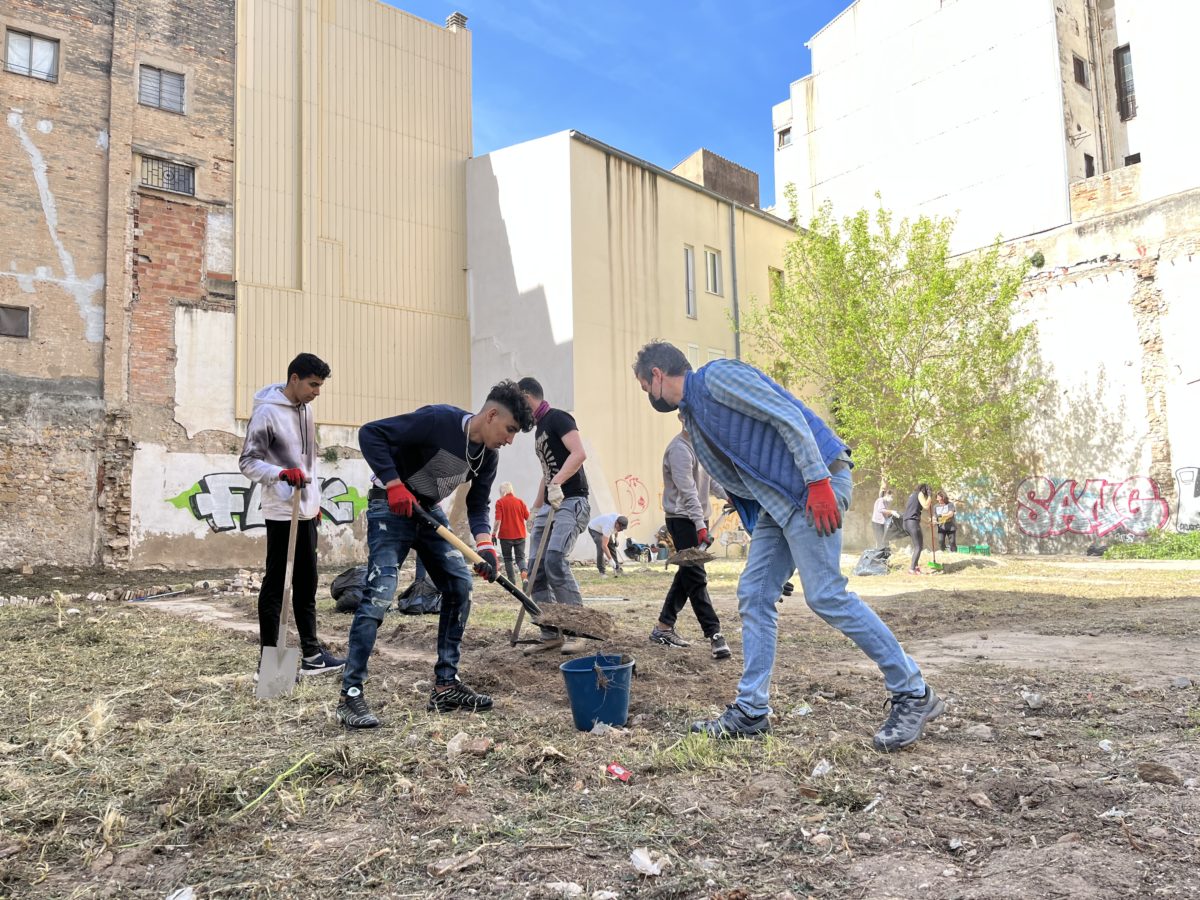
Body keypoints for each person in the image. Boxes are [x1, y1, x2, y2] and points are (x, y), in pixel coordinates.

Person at [632, 340, 942, 751]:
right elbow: (743, 483)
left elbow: (787, 414)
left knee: (827, 595)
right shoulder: (693, 415)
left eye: (643, 387)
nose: (647, 397)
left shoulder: (716, 377)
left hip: (815, 486)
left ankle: (913, 692)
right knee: (755, 593)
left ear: (656, 375)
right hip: (780, 503)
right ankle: (751, 711)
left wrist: (817, 481)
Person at [335, 381, 534, 729]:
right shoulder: (438, 420)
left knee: (460, 585)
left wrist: (485, 546)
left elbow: (477, 503)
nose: (509, 439)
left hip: (428, 513)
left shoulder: (488, 456)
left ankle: (446, 685)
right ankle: (351, 695)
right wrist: (393, 483)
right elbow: (371, 434)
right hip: (391, 507)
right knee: (380, 593)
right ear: (491, 415)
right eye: (510, 429)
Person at [239, 353, 345, 679]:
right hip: (282, 511)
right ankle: (268, 665)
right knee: (276, 585)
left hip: (305, 509)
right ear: (295, 379)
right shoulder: (266, 413)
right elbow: (247, 462)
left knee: (307, 582)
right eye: (313, 384)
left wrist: (315, 504)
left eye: (320, 386)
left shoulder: (308, 411)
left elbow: (309, 464)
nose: (317, 392)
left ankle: (312, 654)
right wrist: (282, 474)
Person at [517, 377, 592, 654]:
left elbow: (579, 453)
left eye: (518, 402)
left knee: (555, 560)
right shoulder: (539, 431)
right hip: (551, 504)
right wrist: (536, 507)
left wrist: (558, 483)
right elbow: (546, 473)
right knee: (534, 572)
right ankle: (550, 633)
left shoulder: (558, 418)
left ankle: (579, 630)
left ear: (527, 396)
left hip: (572, 500)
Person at [651, 416, 732, 659]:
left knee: (687, 573)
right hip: (682, 519)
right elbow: (687, 492)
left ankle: (663, 627)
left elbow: (710, 482)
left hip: (697, 520)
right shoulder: (679, 450)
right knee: (696, 576)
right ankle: (714, 634)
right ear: (680, 418)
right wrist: (699, 525)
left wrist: (729, 496)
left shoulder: (701, 446)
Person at [493, 482, 530, 583]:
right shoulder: (520, 502)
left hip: (506, 536)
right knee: (520, 558)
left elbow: (498, 520)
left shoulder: (500, 502)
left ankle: (512, 583)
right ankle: (524, 573)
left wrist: (493, 534)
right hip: (520, 535)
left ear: (502, 491)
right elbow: (528, 518)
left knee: (508, 559)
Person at [903, 484, 932, 575]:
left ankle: (915, 567)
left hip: (906, 523)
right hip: (912, 523)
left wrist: (927, 522)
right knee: (918, 546)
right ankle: (912, 569)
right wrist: (930, 496)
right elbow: (926, 506)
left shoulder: (912, 495)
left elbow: (914, 514)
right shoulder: (920, 494)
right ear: (924, 490)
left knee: (917, 546)